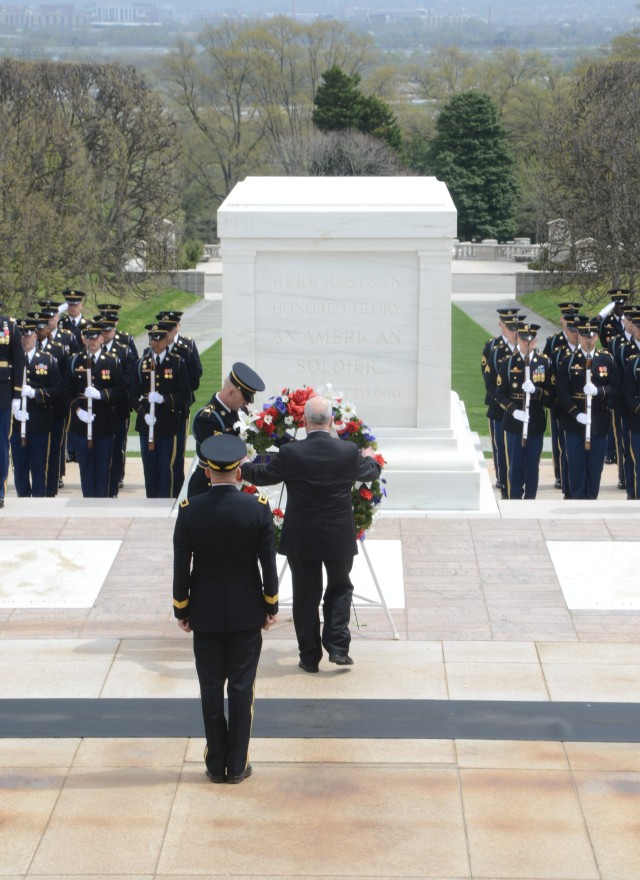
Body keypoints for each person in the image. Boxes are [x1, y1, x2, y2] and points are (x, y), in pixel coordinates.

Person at [241, 395, 382, 672]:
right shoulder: (348, 451)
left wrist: (244, 464)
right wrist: (370, 457)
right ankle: (338, 647)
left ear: (303, 422)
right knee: (340, 587)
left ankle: (309, 657)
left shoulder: (292, 453)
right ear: (332, 422)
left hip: (302, 534)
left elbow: (262, 475)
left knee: (306, 595)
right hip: (338, 533)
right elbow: (371, 473)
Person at [173, 434, 278, 784]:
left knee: (210, 688)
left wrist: (181, 609)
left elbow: (181, 567)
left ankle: (215, 762)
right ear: (238, 472)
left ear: (206, 472)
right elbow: (268, 566)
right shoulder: (257, 507)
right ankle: (237, 763)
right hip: (247, 612)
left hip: (203, 613)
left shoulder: (190, 512)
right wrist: (270, 604)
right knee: (241, 689)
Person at [556, 316, 620, 499]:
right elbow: (562, 393)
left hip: (598, 424)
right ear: (579, 336)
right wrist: (576, 414)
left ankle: (592, 502)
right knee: (576, 468)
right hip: (575, 424)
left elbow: (615, 388)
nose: (588, 339)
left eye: (591, 336)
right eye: (584, 335)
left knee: (595, 469)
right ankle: (576, 500)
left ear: (597, 337)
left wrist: (598, 391)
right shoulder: (568, 361)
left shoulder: (606, 360)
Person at [65, 320, 126, 498]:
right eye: (88, 337)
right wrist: (78, 410)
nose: (91, 342)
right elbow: (67, 391)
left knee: (103, 468)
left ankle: (102, 504)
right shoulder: (75, 361)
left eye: (95, 337)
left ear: (102, 338)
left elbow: (121, 390)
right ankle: (88, 505)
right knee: (85, 469)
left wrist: (101, 394)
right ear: (83, 339)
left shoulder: (112, 362)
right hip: (81, 424)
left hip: (104, 423)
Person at [130, 323, 191, 498]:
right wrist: (144, 413)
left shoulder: (177, 363)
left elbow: (184, 395)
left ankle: (167, 501)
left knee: (167, 468)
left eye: (159, 339)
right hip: (147, 423)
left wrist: (164, 399)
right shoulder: (141, 364)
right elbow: (133, 395)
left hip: (168, 425)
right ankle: (152, 503)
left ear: (166, 340)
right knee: (150, 469)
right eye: (152, 339)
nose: (155, 343)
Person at [188, 362, 265, 498]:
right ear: (231, 393)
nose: (247, 403)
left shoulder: (240, 409)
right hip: (208, 488)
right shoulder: (207, 418)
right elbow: (223, 453)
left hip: (232, 483)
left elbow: (259, 430)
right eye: (245, 398)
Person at [496, 323, 554, 499]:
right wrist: (513, 411)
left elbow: (552, 397)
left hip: (535, 424)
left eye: (530, 340)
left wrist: (536, 392)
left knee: (532, 467)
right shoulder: (508, 363)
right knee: (514, 467)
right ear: (517, 339)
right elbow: (500, 395)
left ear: (536, 340)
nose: (526, 344)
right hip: (514, 424)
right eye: (523, 340)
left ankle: (530, 500)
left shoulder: (544, 362)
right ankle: (514, 499)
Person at [10, 319, 64, 497]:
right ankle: (23, 498)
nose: (24, 340)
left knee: (39, 466)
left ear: (35, 335)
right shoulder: (12, 361)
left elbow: (57, 390)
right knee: (20, 466)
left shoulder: (47, 360)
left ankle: (39, 501)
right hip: (18, 422)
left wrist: (35, 393)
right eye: (21, 336)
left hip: (39, 422)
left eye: (27, 336)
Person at [0, 301, 26, 509]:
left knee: (1, 443)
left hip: (3, 392)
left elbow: (18, 361)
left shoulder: (9, 325)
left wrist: (17, 395)